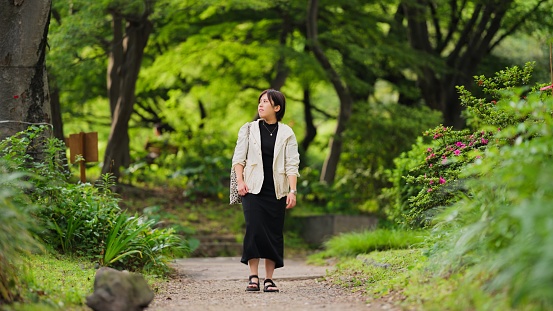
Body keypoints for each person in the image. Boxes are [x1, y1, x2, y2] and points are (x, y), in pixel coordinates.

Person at [231, 89, 300, 293]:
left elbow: (292, 165)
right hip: (252, 188)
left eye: (265, 102)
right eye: (259, 101)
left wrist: (292, 190)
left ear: (277, 108)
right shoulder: (249, 129)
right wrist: (240, 181)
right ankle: (253, 276)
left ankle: (269, 279)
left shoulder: (287, 133)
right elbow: (238, 159)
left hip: (276, 191)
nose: (260, 105)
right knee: (254, 228)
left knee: (273, 232)